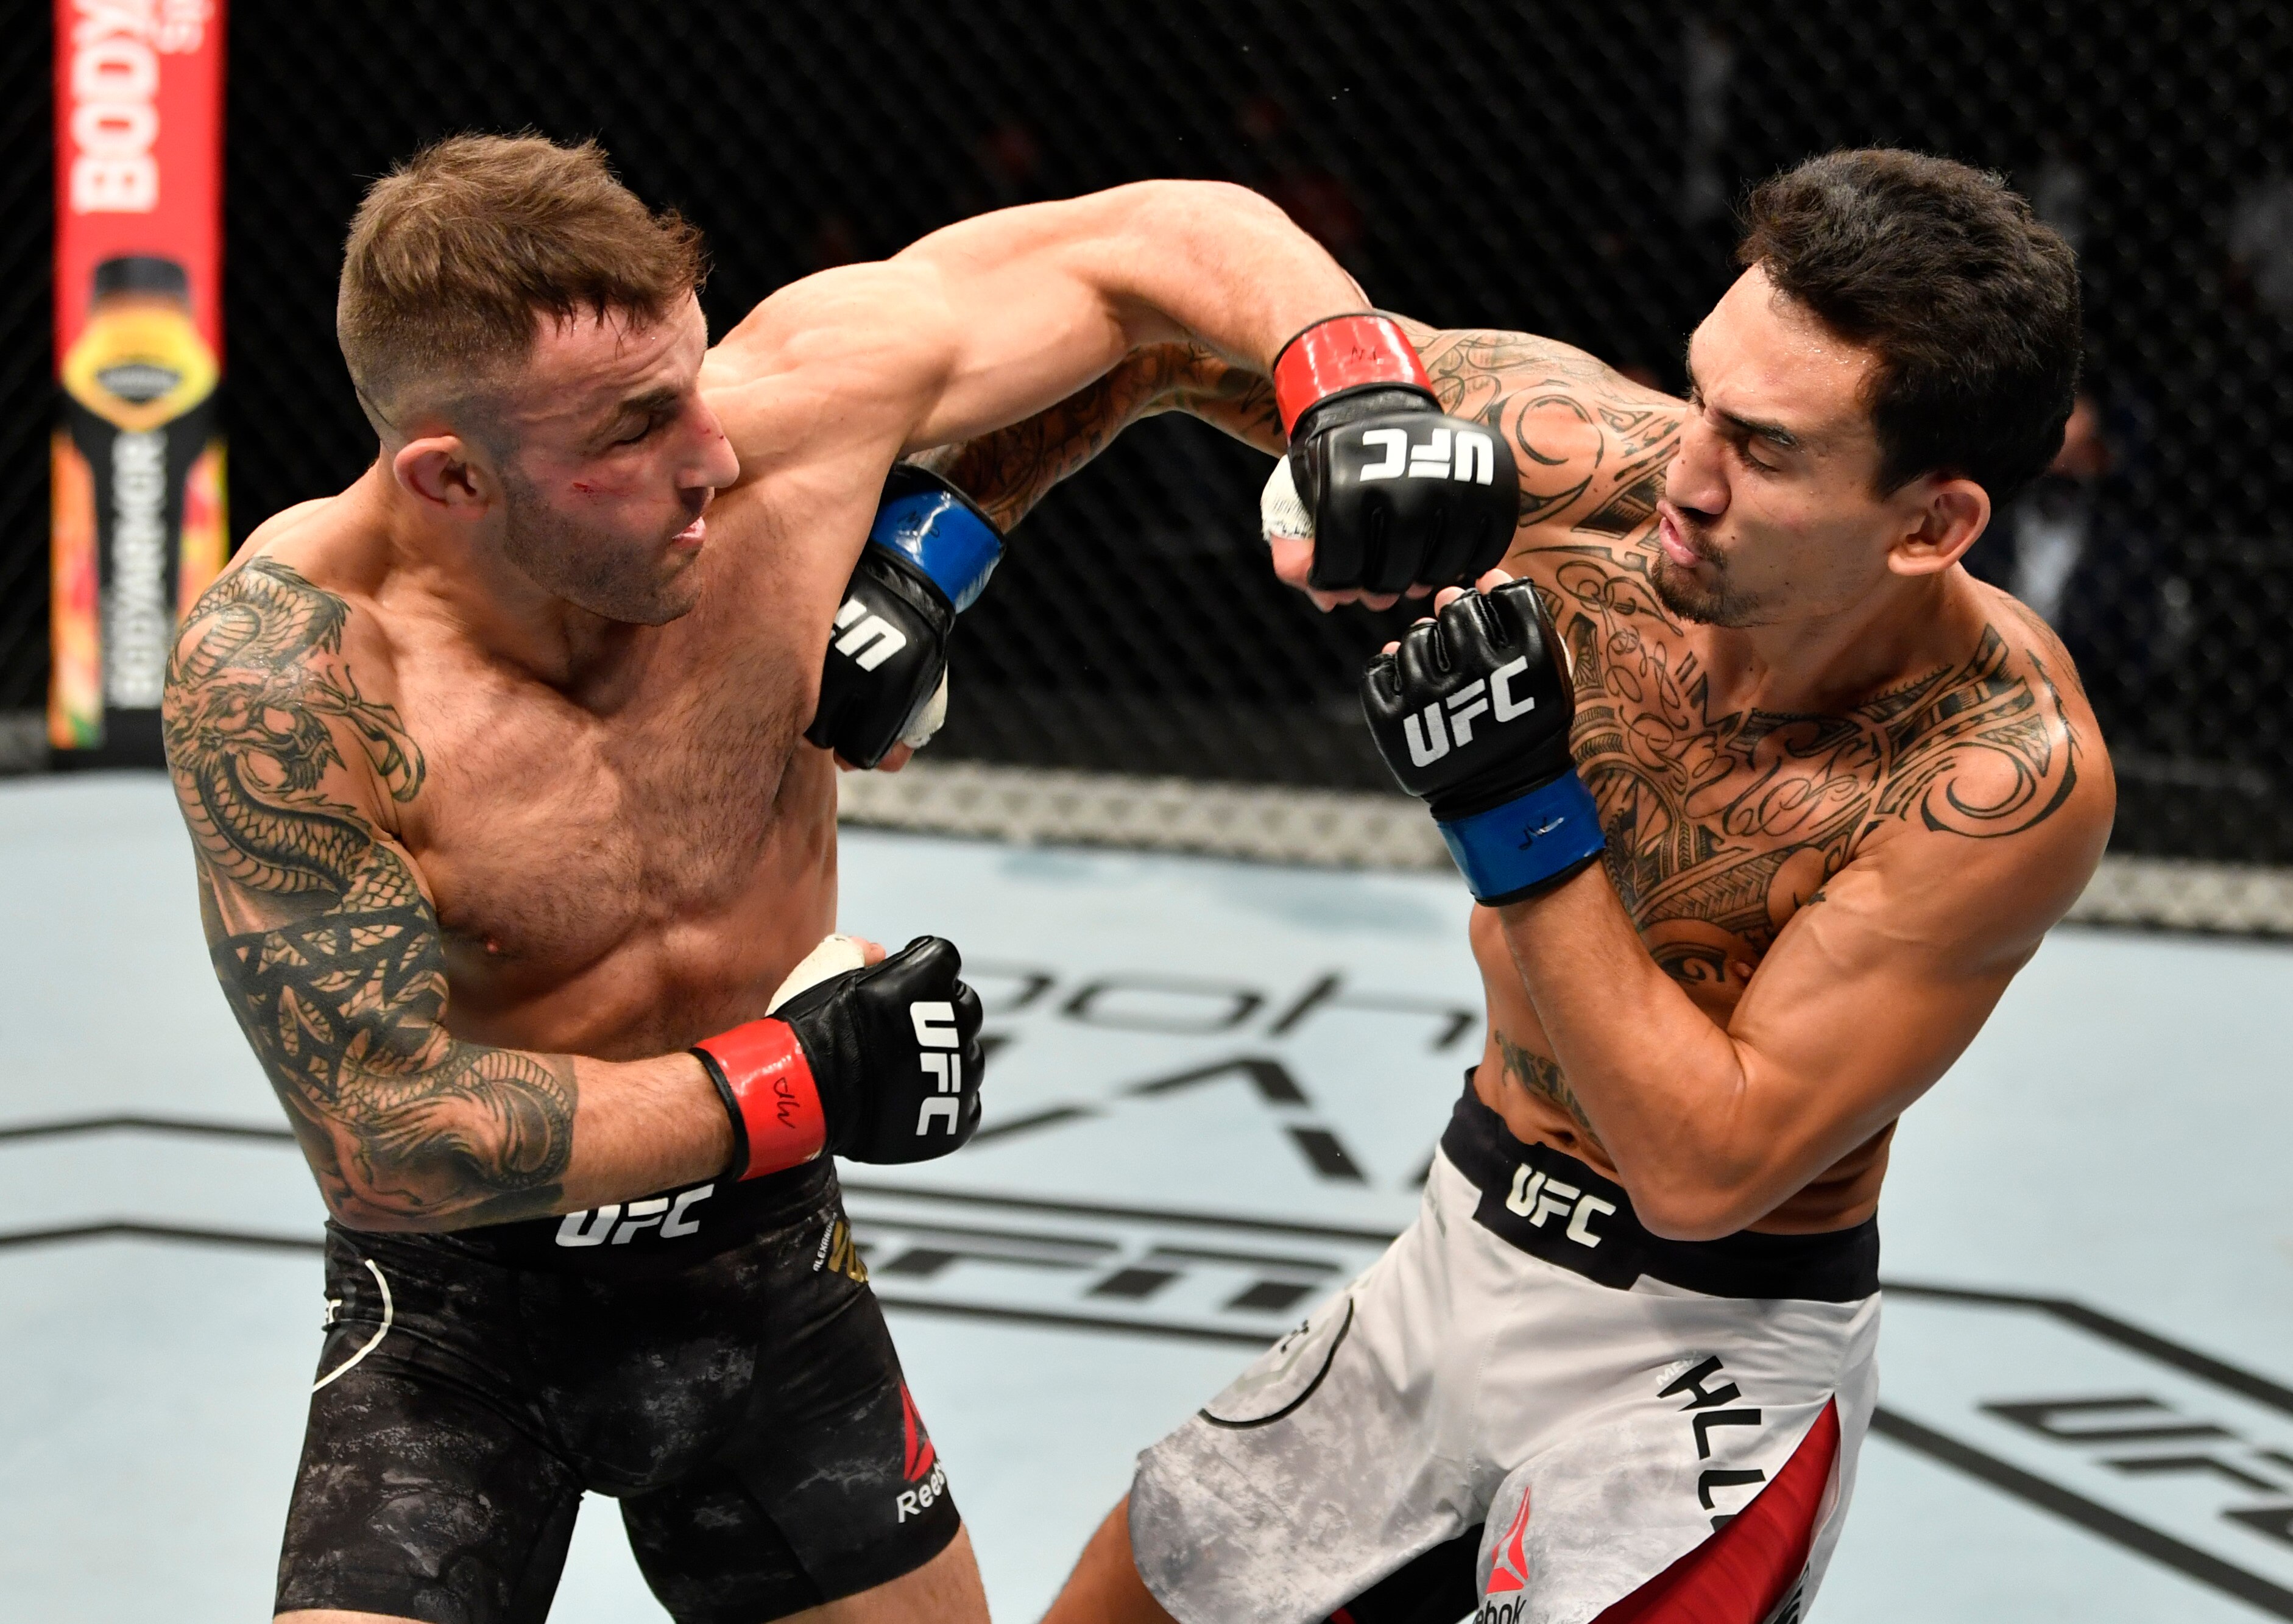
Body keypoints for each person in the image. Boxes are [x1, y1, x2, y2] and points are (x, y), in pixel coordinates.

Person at [158, 132, 1438, 1624]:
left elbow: (1151, 244)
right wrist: (797, 1079)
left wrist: (1352, 382)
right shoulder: (293, 676)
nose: (711, 452)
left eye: (691, 379)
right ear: (450, 476)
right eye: (637, 428)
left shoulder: (787, 429)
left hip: (764, 1277)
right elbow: (389, 1131)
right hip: (458, 1331)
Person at [927, 148, 2113, 1624]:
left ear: (1929, 525)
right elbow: (1159, 336)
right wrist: (934, 557)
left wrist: (1515, 809)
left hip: (1708, 1360)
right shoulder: (1576, 463)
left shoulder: (1995, 777)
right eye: (1700, 395)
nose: (1687, 474)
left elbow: (1704, 1169)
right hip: (1459, 1243)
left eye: (1763, 449)